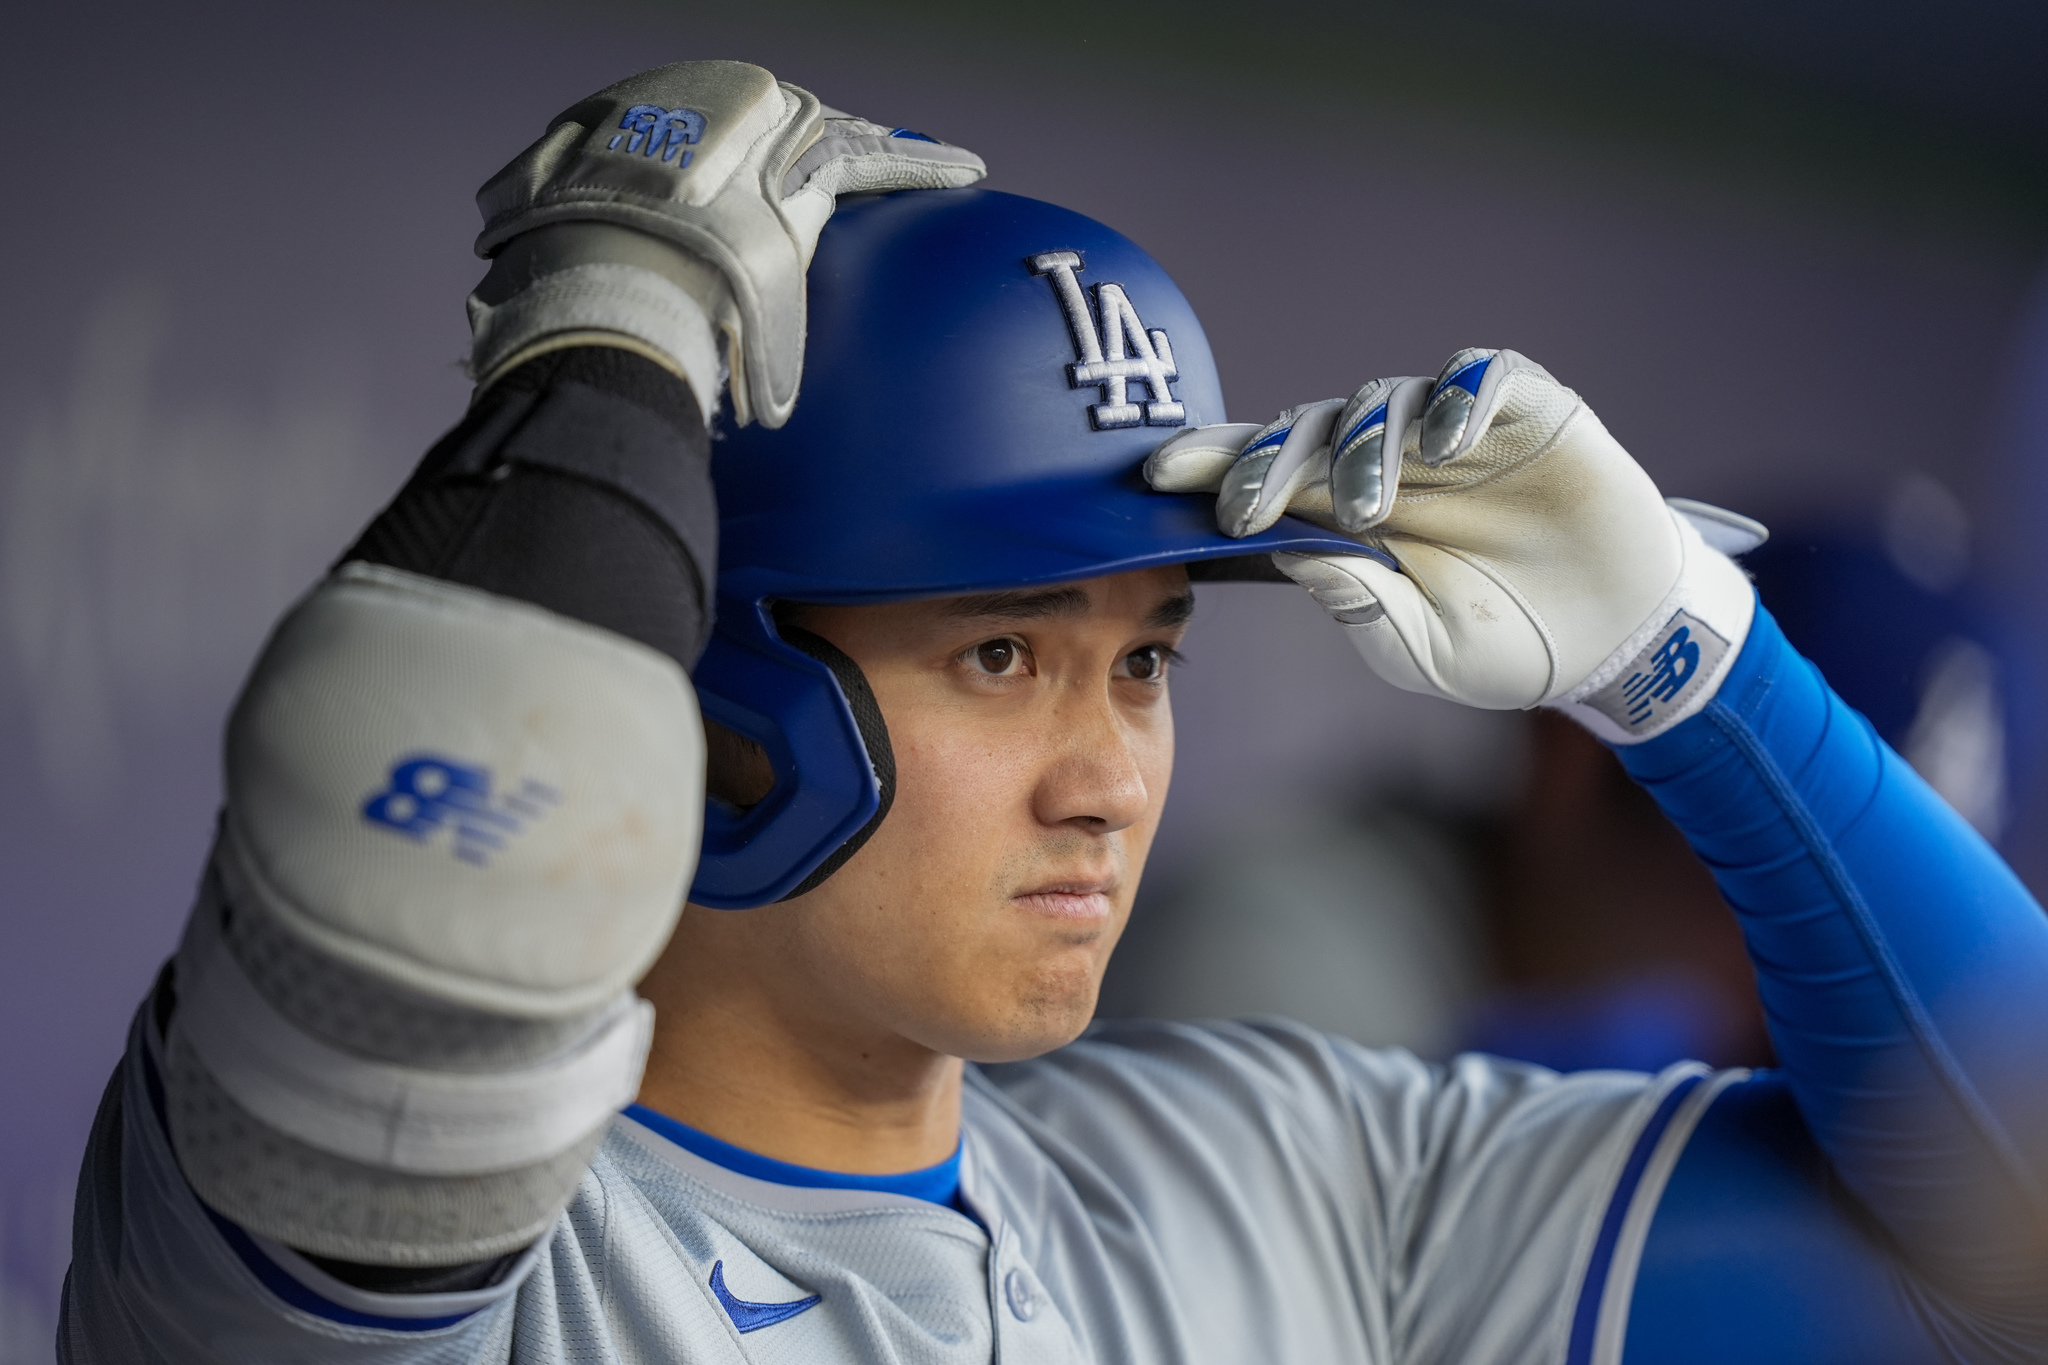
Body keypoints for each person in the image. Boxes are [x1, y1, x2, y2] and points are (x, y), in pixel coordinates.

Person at [61, 60, 2048, 1364]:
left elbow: (2014, 1211)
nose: (1108, 778)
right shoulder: (407, 1257)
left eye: (1148, 658)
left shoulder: (1293, 1168)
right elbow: (419, 828)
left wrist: (1688, 663)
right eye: (1001, 652)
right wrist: (606, 350)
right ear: (712, 680)